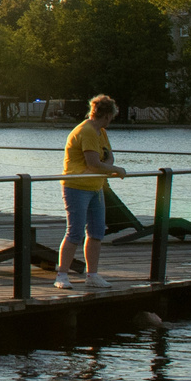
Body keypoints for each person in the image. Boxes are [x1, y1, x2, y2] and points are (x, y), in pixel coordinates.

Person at [55, 94, 127, 290]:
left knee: (96, 232)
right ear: (106, 115)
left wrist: (107, 166)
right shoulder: (86, 131)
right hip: (76, 187)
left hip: (96, 187)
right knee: (75, 232)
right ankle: (61, 275)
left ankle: (92, 275)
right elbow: (94, 163)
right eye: (111, 116)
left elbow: (108, 157)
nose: (111, 120)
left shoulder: (100, 131)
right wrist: (115, 170)